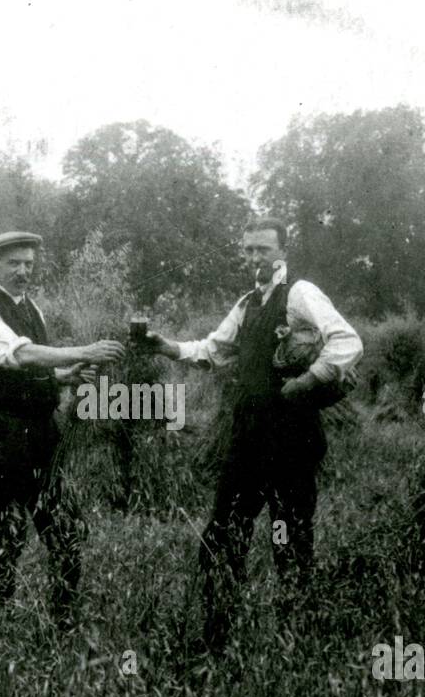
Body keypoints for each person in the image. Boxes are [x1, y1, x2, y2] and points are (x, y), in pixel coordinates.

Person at [140, 216, 363, 655]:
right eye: (248, 250)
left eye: (263, 249)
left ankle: (295, 643)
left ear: (283, 250)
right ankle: (216, 638)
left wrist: (310, 379)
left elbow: (348, 341)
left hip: (291, 438)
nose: (255, 258)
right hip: (248, 438)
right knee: (224, 533)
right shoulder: (248, 303)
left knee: (290, 537)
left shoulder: (300, 292)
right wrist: (169, 347)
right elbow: (214, 350)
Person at [0, 231, 124, 625]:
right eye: (14, 263)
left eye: (29, 264)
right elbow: (20, 355)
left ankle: (63, 614)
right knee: (4, 523)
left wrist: (67, 375)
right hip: (4, 432)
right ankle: (0, 609)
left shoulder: (33, 308)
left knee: (62, 520)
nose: (22, 271)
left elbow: (37, 368)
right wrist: (84, 350)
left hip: (44, 432)